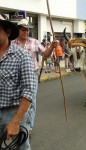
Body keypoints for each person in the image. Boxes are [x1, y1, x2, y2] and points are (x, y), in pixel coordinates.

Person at [11, 18, 57, 137]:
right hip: (15, 76)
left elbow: (45, 54)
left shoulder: (34, 42)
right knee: (16, 100)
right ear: (18, 30)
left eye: (27, 30)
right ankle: (15, 123)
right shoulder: (11, 43)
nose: (26, 32)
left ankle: (28, 127)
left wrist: (51, 47)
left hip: (32, 74)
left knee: (30, 101)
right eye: (23, 30)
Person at [0, 13, 35, 149]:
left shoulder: (22, 56)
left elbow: (28, 91)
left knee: (20, 147)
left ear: (8, 32)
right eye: (23, 29)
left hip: (13, 112)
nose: (25, 31)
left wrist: (16, 121)